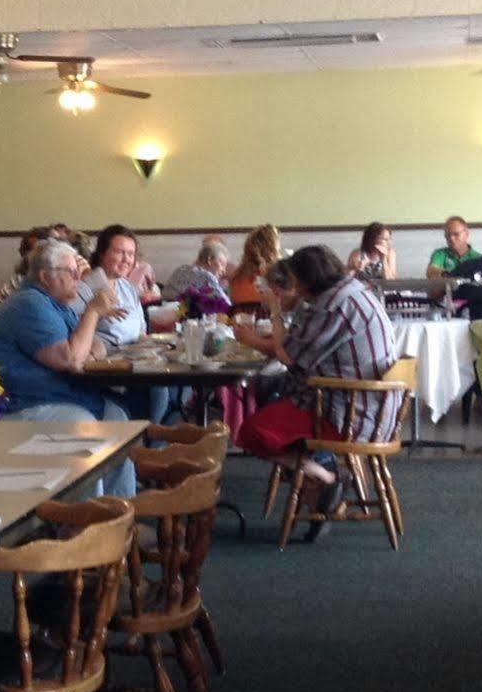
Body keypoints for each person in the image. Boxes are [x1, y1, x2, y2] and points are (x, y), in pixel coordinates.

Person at [232, 245, 398, 531]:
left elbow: (288, 355)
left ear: (305, 281)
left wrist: (273, 310)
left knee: (251, 432)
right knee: (275, 399)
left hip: (349, 414)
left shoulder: (331, 306)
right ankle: (315, 487)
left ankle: (323, 477)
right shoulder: (354, 291)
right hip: (374, 405)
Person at [0, 238, 136, 495]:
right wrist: (93, 313)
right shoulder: (29, 304)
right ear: (45, 276)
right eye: (72, 273)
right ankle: (86, 523)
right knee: (88, 434)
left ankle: (119, 517)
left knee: (117, 418)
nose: (79, 278)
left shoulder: (54, 304)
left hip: (62, 397)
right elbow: (72, 360)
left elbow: (92, 346)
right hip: (26, 405)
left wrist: (85, 342)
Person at [75, 224, 148, 348]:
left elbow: (141, 331)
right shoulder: (81, 289)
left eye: (131, 254)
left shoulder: (127, 287)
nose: (126, 259)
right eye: (119, 252)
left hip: (133, 358)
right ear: (102, 254)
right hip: (100, 362)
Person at [165, 236, 234, 309]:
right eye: (222, 265)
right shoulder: (207, 276)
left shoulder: (180, 269)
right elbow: (227, 305)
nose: (224, 270)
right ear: (210, 260)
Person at [228, 224, 282, 307]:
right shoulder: (277, 275)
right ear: (274, 247)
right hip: (268, 317)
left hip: (238, 317)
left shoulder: (236, 275)